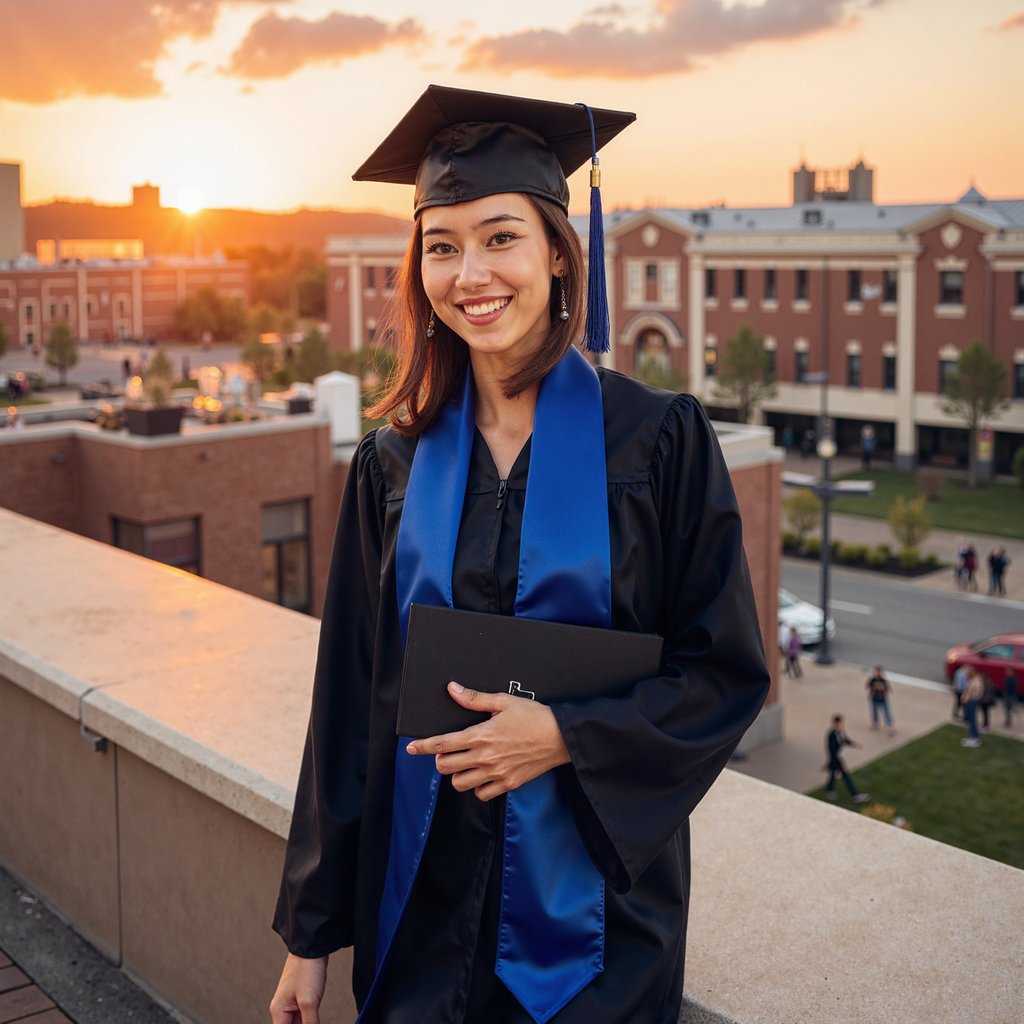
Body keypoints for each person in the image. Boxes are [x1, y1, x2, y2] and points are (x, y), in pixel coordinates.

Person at [269, 86, 770, 1024]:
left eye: (501, 237)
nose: (471, 274)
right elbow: (350, 701)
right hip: (417, 905)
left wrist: (568, 736)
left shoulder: (658, 442)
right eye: (443, 246)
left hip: (597, 933)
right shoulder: (394, 462)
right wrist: (309, 932)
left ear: (557, 249)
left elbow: (726, 671)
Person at [824, 714, 870, 803]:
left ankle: (828, 790)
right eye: (839, 724)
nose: (841, 726)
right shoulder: (831, 735)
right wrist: (839, 761)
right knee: (846, 777)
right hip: (836, 760)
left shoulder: (840, 732)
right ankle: (855, 795)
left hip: (838, 759)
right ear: (834, 724)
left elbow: (845, 740)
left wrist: (855, 745)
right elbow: (831, 750)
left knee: (833, 775)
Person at [866, 665, 895, 736]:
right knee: (875, 713)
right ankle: (875, 724)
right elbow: (868, 687)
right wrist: (871, 692)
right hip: (874, 699)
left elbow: (889, 689)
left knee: (886, 712)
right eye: (877, 672)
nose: (878, 673)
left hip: (883, 699)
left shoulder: (883, 681)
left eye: (880, 672)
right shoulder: (872, 680)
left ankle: (890, 727)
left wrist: (882, 688)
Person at [960, 667, 985, 747]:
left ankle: (974, 738)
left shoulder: (974, 682)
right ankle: (974, 736)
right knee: (973, 719)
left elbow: (970, 692)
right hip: (974, 700)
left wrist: (965, 697)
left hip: (972, 701)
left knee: (972, 719)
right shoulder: (978, 681)